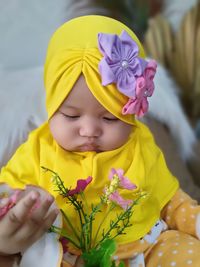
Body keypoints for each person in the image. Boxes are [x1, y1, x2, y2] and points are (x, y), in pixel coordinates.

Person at [0, 15, 200, 267]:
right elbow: (8, 194)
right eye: (71, 115)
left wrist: (193, 219)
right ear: (51, 108)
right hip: (67, 256)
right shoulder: (38, 149)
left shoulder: (139, 145)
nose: (89, 130)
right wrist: (11, 214)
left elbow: (170, 199)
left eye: (109, 118)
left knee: (187, 253)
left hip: (143, 248)